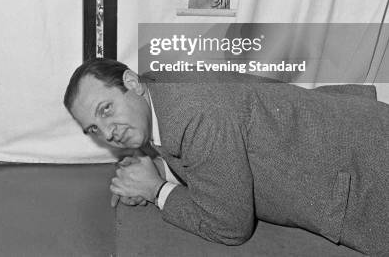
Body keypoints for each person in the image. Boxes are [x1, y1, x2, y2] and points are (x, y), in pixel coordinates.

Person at [63, 58, 389, 256]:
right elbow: (219, 151)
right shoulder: (161, 87)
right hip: (361, 132)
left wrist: (156, 190)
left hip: (369, 176)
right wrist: (159, 170)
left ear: (131, 83)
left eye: (106, 110)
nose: (107, 133)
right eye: (93, 128)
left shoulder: (196, 115)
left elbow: (229, 227)